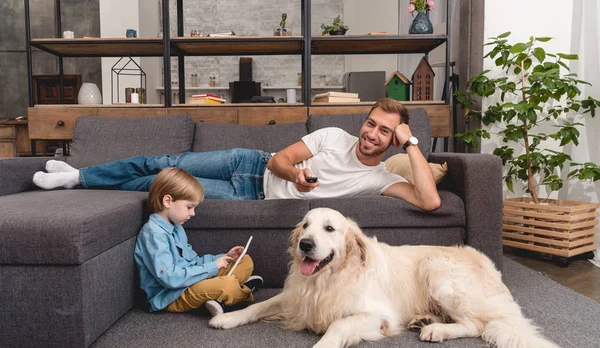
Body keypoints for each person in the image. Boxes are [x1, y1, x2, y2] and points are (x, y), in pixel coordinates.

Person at [33, 98, 440, 211]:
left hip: (250, 198)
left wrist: (413, 142)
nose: (371, 133)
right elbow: (279, 159)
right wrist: (295, 176)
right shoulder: (333, 135)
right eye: (371, 123)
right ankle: (78, 176)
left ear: (393, 140)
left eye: (384, 131)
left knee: (161, 186)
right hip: (248, 163)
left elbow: (429, 199)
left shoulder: (382, 179)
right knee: (162, 162)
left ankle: (82, 179)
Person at [134, 167, 263, 317]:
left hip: (190, 282)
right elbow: (169, 278)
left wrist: (224, 257)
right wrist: (212, 267)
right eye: (189, 207)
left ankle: (221, 296)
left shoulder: (176, 227)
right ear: (168, 201)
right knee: (227, 286)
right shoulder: (154, 234)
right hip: (172, 295)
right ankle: (239, 291)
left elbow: (193, 261)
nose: (193, 213)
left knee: (244, 260)